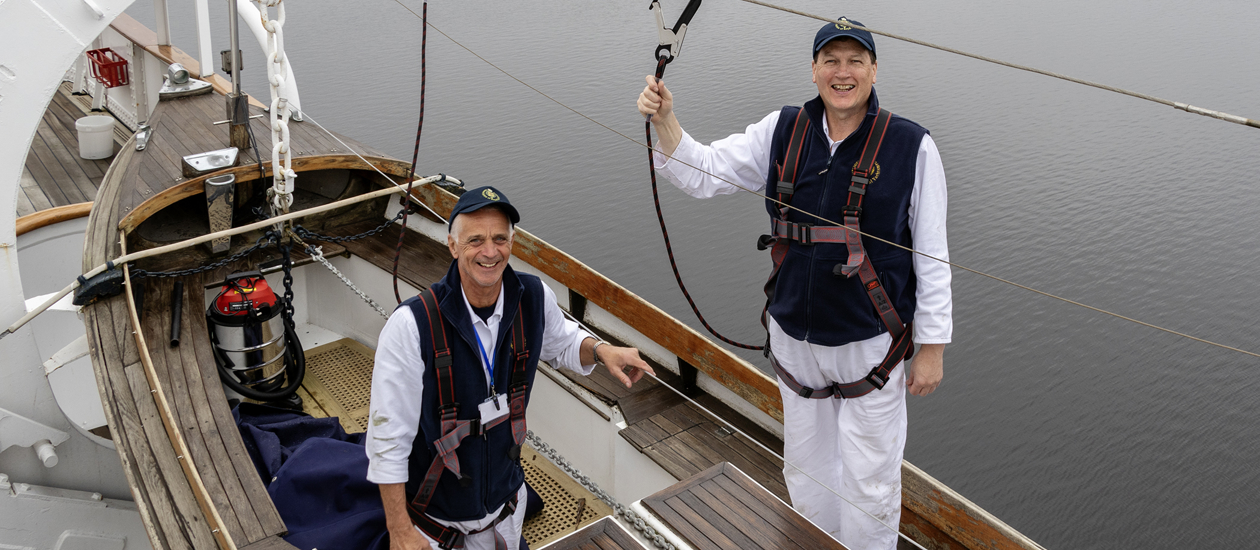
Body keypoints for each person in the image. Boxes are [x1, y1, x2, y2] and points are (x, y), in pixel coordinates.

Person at [636, 17, 951, 550]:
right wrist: (667, 120)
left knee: (870, 479)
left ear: (874, 71)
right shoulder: (784, 130)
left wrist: (932, 348)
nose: (842, 72)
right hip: (793, 341)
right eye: (831, 60)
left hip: (869, 346)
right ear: (813, 70)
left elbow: (933, 255)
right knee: (806, 470)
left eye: (855, 61)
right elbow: (706, 171)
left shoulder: (912, 146)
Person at [365, 186, 655, 550]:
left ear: (512, 243)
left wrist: (600, 350)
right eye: (476, 240)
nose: (490, 251)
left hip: (507, 512)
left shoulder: (533, 297)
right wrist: (400, 531)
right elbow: (387, 441)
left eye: (500, 238)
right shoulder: (412, 325)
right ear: (453, 247)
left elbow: (563, 341)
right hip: (435, 527)